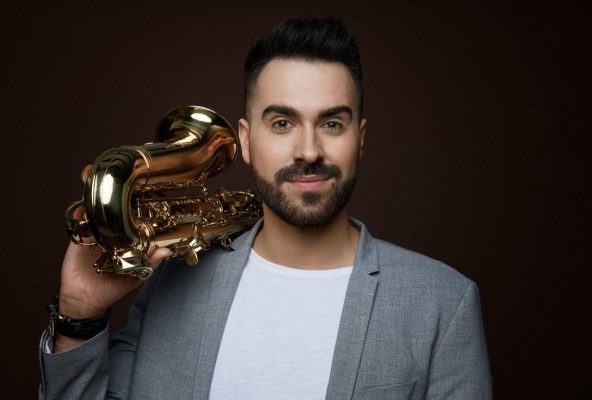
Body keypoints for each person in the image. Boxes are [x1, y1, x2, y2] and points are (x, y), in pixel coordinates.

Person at [39, 17, 492, 400]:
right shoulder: (170, 281)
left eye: (332, 123)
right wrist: (79, 317)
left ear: (361, 139)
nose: (309, 150)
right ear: (246, 140)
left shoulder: (443, 304)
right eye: (282, 123)